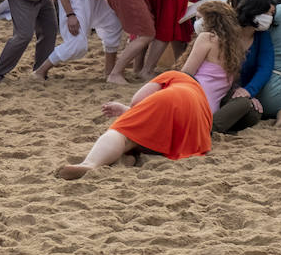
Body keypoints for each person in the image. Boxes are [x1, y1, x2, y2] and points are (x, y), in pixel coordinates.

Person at [55, 71, 214, 180]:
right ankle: (124, 158)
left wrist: (129, 110)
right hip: (193, 139)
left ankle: (89, 164)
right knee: (138, 138)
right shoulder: (202, 98)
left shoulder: (175, 76)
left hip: (168, 101)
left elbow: (137, 100)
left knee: (123, 133)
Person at [210, 0, 277, 134]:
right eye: (267, 13)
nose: (269, 18)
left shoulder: (262, 36)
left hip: (239, 93)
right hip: (217, 86)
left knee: (253, 113)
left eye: (271, 14)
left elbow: (265, 66)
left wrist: (248, 91)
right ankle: (208, 129)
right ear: (254, 9)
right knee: (243, 105)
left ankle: (214, 125)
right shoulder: (228, 29)